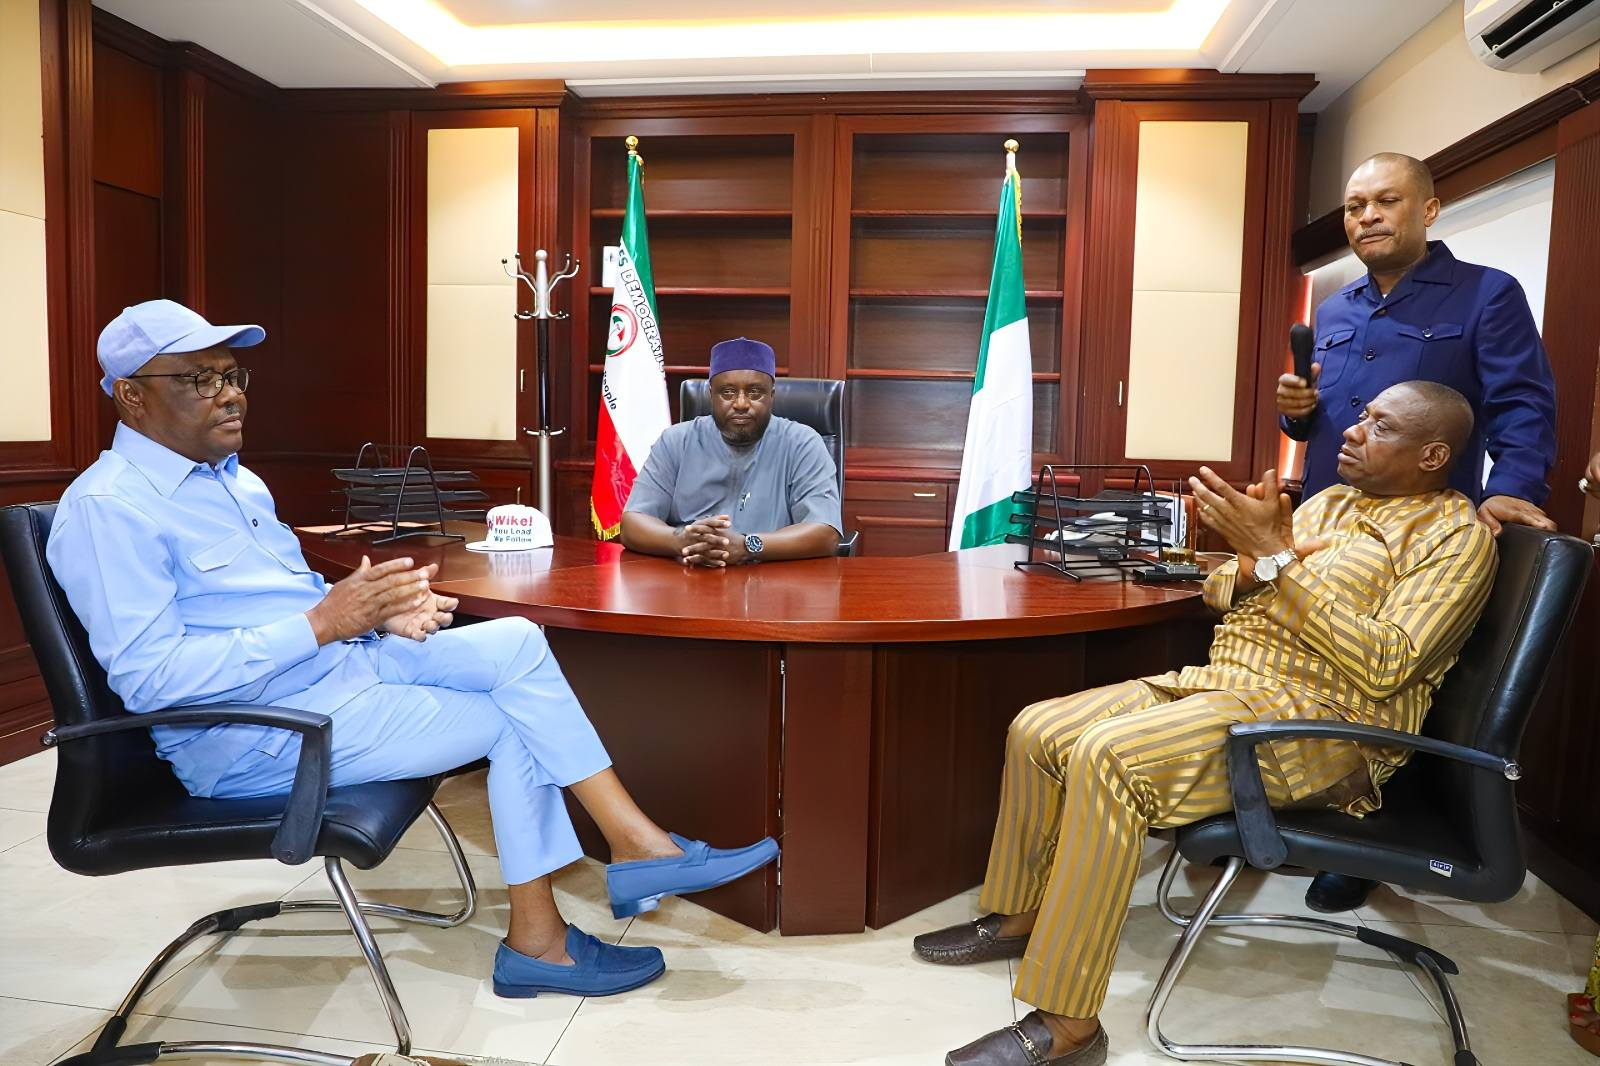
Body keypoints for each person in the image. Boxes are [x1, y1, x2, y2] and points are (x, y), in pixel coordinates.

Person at [48, 299, 779, 1000]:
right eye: (198, 380)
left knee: (519, 642)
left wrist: (379, 616)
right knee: (513, 722)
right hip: (258, 734)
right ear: (131, 398)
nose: (229, 396)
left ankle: (631, 848)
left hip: (335, 673)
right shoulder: (110, 509)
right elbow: (151, 682)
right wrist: (328, 623)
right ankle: (546, 938)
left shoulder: (236, 485)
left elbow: (294, 603)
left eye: (232, 376)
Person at [916, 381, 1497, 1066]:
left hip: (1322, 725)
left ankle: (1069, 1025)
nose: (1353, 431)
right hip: (1225, 684)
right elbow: (1224, 591)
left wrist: (1277, 562)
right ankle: (1021, 914)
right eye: (1363, 416)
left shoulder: (1455, 540)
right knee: (1038, 728)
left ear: (1433, 454)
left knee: (1109, 755)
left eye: (1381, 426)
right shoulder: (1333, 502)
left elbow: (1387, 664)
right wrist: (1254, 562)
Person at [1276, 151, 1557, 914]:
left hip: (1419, 538)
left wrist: (1510, 492)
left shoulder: (1486, 295)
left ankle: (1359, 833)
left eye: (1385, 201)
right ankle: (1283, 793)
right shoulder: (1333, 311)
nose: (1366, 216)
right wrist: (1295, 414)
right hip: (1331, 526)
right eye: (1354, 204)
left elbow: (1522, 406)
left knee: (1393, 680)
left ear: (1427, 210)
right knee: (1304, 659)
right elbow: (1324, 425)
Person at [619, 337, 841, 565]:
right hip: (689, 580)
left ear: (772, 395)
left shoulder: (802, 443)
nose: (741, 403)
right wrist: (682, 540)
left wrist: (748, 545)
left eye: (755, 392)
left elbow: (826, 534)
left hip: (771, 584)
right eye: (727, 392)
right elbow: (632, 524)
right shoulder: (676, 441)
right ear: (710, 394)